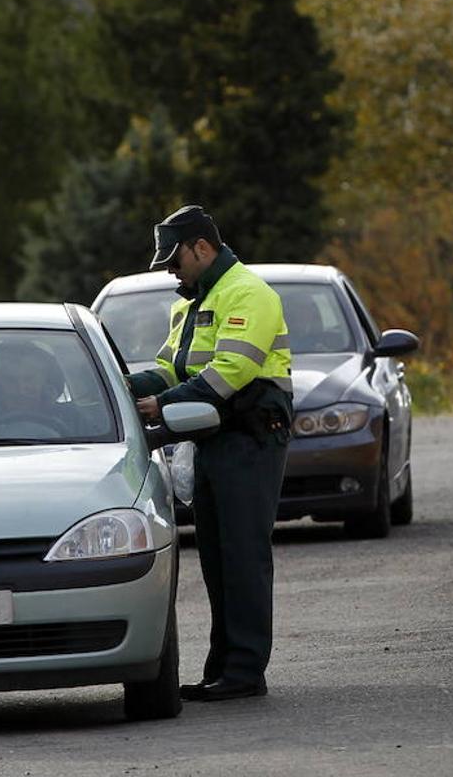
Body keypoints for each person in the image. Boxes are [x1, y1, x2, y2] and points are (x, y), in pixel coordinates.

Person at [127, 204, 294, 701]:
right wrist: (117, 386)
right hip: (213, 437)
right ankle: (223, 667)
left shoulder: (248, 293)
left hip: (250, 436)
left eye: (174, 260)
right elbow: (173, 367)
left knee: (242, 555)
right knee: (219, 559)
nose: (171, 271)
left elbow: (231, 371)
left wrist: (162, 404)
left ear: (202, 247)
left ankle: (244, 672)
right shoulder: (193, 302)